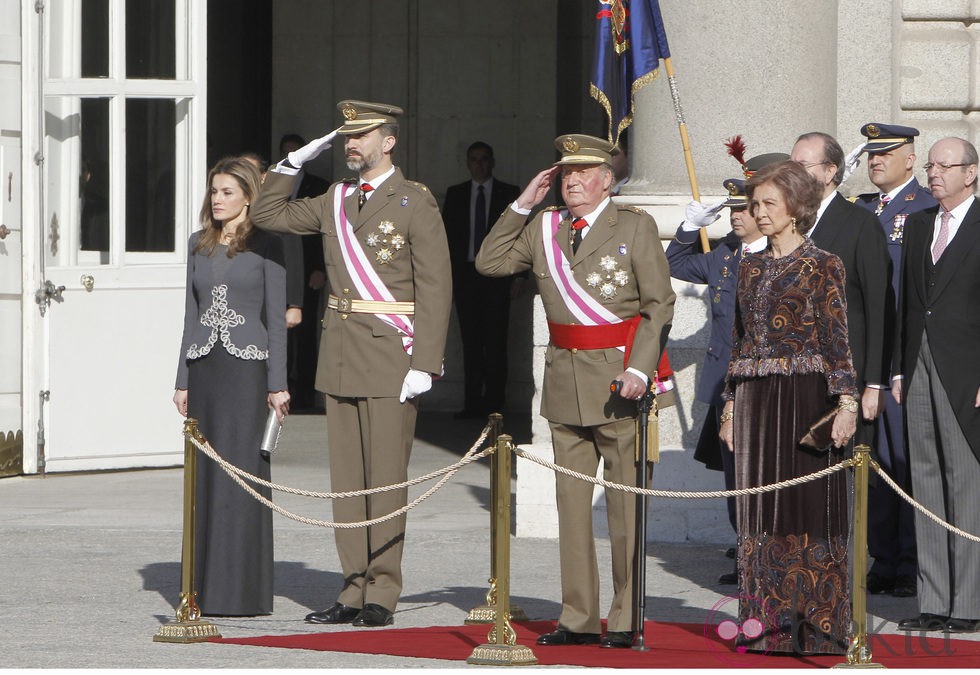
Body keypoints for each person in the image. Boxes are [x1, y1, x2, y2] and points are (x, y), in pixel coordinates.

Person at [251, 100, 452, 628]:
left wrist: (426, 362)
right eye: (346, 138)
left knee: (385, 478)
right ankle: (352, 586)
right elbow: (264, 214)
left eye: (362, 135)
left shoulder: (414, 201)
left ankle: (383, 590)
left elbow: (435, 286)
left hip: (391, 355)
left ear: (389, 141)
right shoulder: (333, 199)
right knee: (346, 482)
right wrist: (291, 165)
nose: (351, 145)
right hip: (340, 353)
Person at [476, 134, 675, 649]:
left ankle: (626, 616)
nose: (571, 181)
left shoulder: (633, 226)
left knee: (625, 508)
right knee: (571, 507)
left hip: (618, 382)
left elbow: (658, 304)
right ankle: (579, 617)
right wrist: (522, 203)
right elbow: (490, 262)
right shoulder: (544, 227)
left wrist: (640, 368)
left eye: (583, 172)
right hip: (564, 381)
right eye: (565, 173)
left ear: (607, 179)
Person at [719, 160, 859, 655]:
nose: (758, 212)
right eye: (754, 204)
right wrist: (730, 407)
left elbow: (837, 339)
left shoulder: (825, 264)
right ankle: (766, 625)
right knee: (760, 510)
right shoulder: (750, 265)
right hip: (756, 401)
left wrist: (846, 403)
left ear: (796, 208)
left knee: (808, 508)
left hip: (806, 397)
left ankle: (818, 626)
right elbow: (740, 342)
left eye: (768, 204)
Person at [172, 156, 290, 616]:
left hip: (248, 375)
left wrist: (277, 384)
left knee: (242, 477)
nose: (217, 200)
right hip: (205, 372)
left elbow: (276, 321)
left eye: (226, 192)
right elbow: (189, 315)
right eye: (214, 191)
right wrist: (182, 379)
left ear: (247, 196)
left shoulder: (268, 245)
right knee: (206, 478)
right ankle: (201, 589)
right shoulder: (197, 244)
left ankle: (240, 592)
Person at [666, 155, 778, 584]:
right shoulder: (723, 256)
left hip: (763, 383)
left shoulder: (777, 254)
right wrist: (690, 227)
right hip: (724, 383)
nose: (734, 217)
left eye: (741, 209)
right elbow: (675, 264)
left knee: (765, 471)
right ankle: (745, 552)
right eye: (730, 210)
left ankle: (768, 550)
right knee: (734, 473)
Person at [893, 137, 980, 634]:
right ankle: (933, 598)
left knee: (965, 481)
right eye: (931, 166)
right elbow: (908, 301)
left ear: (970, 173)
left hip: (965, 369)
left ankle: (967, 603)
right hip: (919, 366)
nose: (934, 174)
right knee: (924, 479)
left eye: (945, 167)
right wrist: (901, 368)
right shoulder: (921, 222)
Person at [852, 123, 936, 598]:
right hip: (867, 355)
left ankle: (909, 559)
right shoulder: (862, 209)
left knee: (903, 458)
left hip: (902, 357)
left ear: (910, 158)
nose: (876, 160)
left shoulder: (924, 209)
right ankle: (882, 556)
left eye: (886, 153)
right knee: (872, 459)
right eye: (871, 154)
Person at [790, 133, 891, 448]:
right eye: (790, 165)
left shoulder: (860, 223)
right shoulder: (786, 223)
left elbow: (879, 306)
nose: (793, 173)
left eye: (802, 165)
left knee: (841, 474)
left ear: (829, 171)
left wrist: (874, 383)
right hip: (794, 373)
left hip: (844, 375)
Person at [442, 141, 521, 418]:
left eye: (485, 159)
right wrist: (446, 280)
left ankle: (495, 405)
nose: (480, 164)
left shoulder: (509, 193)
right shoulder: (456, 194)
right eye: (474, 159)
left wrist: (518, 276)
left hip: (498, 277)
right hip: (465, 277)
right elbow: (447, 241)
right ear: (468, 163)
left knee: (496, 341)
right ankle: (472, 404)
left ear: (492, 162)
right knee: (471, 341)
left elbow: (519, 236)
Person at [277, 134, 331, 412]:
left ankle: (307, 393)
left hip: (308, 269)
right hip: (277, 267)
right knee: (279, 335)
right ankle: (281, 387)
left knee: (307, 332)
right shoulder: (273, 184)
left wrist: (320, 268)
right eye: (286, 152)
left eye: (296, 151)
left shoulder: (319, 187)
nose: (292, 156)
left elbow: (325, 231)